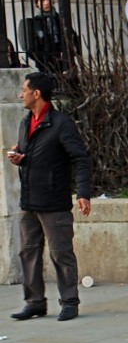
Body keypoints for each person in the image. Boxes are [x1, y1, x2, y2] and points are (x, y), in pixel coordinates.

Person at [8, 72, 91, 322]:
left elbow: (80, 158)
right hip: (29, 201)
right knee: (28, 252)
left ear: (37, 94)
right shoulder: (25, 122)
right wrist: (18, 156)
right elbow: (27, 153)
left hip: (54, 202)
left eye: (24, 90)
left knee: (61, 253)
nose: (20, 95)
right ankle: (34, 303)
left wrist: (83, 193)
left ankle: (69, 302)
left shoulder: (60, 124)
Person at [22, 0, 79, 73]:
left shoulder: (61, 19)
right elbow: (31, 50)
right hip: (45, 66)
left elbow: (72, 38)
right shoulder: (34, 22)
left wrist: (70, 53)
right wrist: (51, 57)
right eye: (42, 0)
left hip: (66, 64)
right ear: (37, 3)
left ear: (52, 0)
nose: (46, 2)